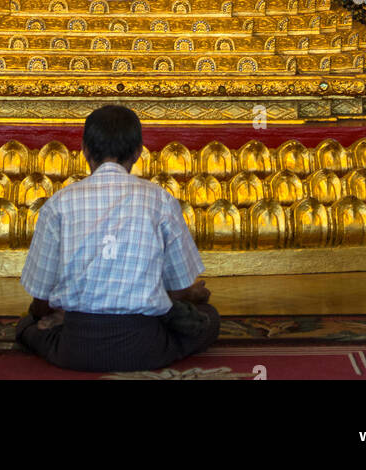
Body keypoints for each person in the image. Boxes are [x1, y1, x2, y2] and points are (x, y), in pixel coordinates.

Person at [15, 103, 221, 373]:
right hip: (144, 347)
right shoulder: (160, 200)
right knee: (210, 318)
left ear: (85, 149)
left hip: (76, 347)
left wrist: (51, 315)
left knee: (26, 326)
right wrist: (191, 295)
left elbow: (40, 299)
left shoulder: (58, 204)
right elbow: (179, 286)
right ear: (138, 152)